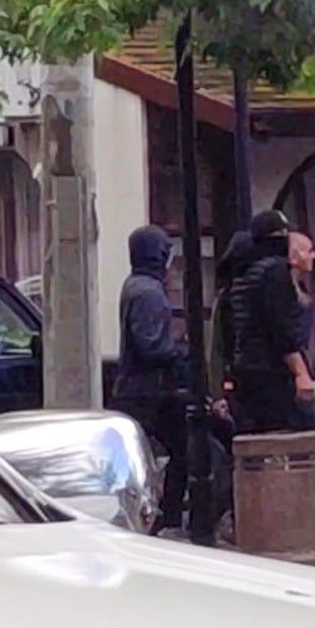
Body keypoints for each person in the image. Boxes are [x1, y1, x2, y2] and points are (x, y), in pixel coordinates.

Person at [110, 225, 190, 531]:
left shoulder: (136, 285)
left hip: (138, 389)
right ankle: (165, 516)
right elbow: (151, 345)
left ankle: (158, 515)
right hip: (151, 391)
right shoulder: (148, 291)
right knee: (184, 450)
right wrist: (179, 351)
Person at [229, 209, 315, 434]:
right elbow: (281, 328)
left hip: (247, 371)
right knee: (296, 436)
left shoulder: (243, 273)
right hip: (272, 373)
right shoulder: (275, 272)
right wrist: (300, 373)